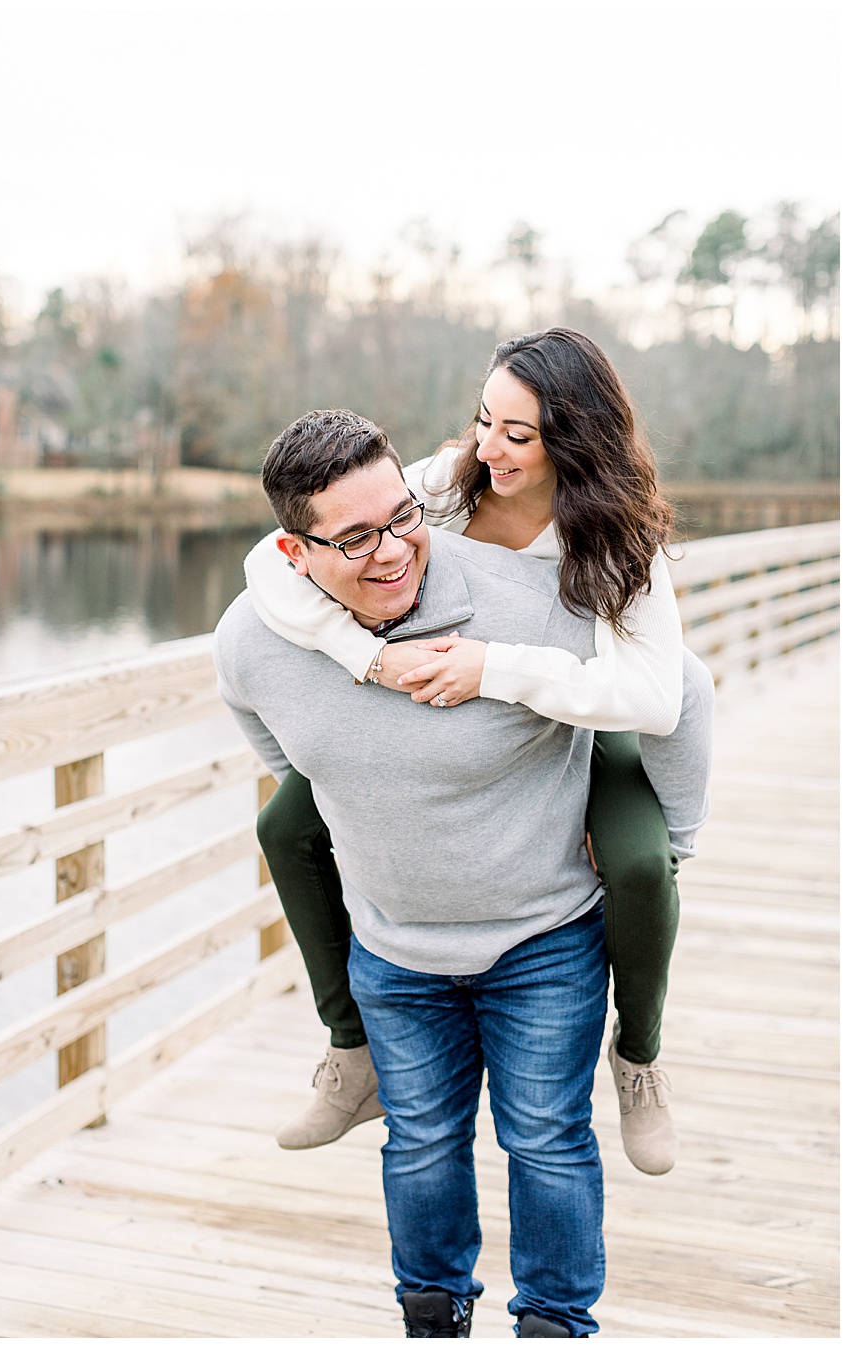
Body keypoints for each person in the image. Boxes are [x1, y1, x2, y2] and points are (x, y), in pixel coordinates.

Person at [214, 409, 712, 1337]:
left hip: (543, 936)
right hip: (394, 950)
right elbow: (290, 766)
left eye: (403, 518)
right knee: (423, 1146)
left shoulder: (534, 602)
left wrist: (669, 840)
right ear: (292, 551)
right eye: (355, 537)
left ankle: (556, 1326)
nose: (394, 551)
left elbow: (681, 693)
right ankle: (434, 1321)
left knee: (548, 1146)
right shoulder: (252, 643)